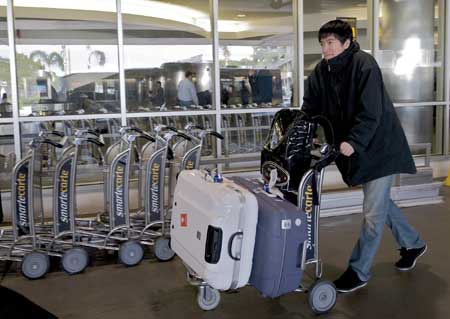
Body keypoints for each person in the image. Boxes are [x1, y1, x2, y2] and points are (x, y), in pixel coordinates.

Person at [301, 20, 427, 293]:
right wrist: (305, 129)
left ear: (347, 42)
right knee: (380, 204)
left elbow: (372, 110)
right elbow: (310, 105)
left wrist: (354, 141)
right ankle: (414, 243)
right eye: (322, 43)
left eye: (331, 42)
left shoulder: (364, 64)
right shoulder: (321, 71)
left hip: (379, 147)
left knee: (372, 214)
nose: (326, 48)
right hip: (355, 148)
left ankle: (359, 271)